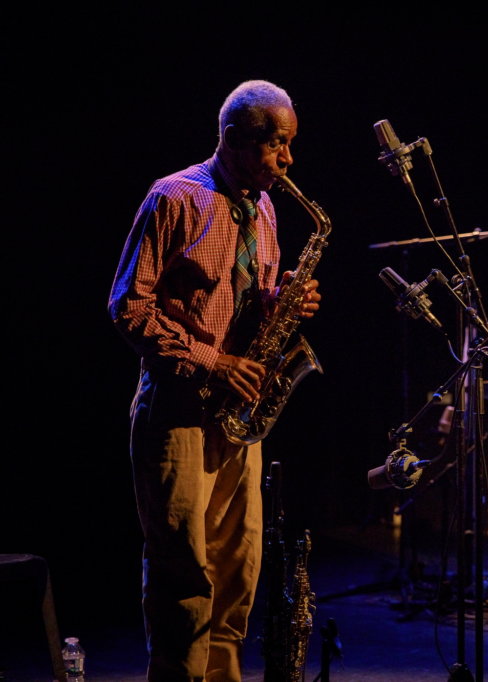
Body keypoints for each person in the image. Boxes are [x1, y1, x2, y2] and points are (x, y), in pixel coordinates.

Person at [108, 79, 322, 681]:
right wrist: (214, 361)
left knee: (238, 569)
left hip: (240, 415)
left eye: (290, 144)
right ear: (231, 140)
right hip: (178, 408)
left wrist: (283, 301)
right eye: (276, 145)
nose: (288, 160)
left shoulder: (267, 206)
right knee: (184, 573)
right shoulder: (173, 198)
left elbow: (246, 297)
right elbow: (128, 307)